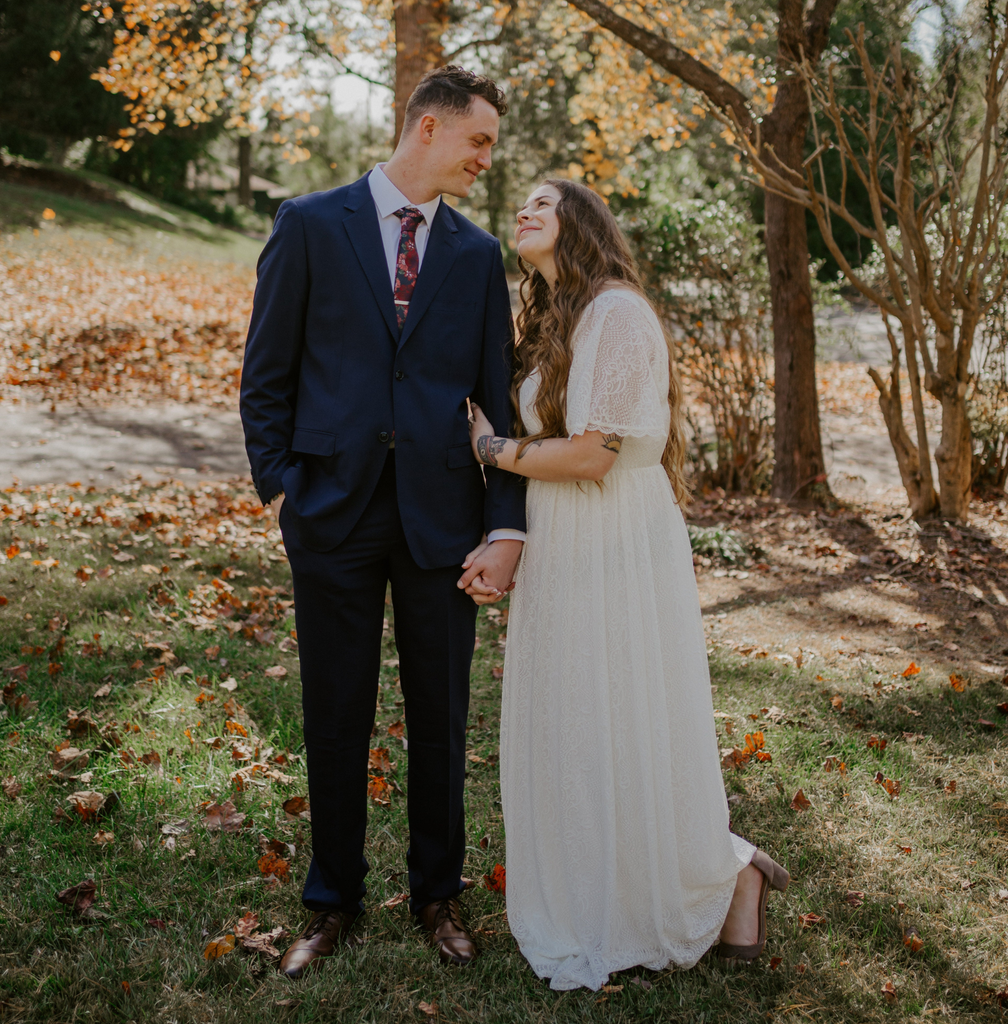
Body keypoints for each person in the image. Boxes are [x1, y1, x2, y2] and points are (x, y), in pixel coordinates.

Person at [464, 179, 789, 992]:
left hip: (611, 533)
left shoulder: (616, 313)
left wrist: (490, 448)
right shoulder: (559, 316)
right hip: (564, 534)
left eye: (544, 202)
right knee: (578, 719)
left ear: (581, 223)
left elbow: (591, 455)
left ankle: (716, 875)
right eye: (521, 203)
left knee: (619, 713)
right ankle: (613, 894)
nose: (525, 211)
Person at [239, 66, 527, 979]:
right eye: (479, 140)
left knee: (441, 717)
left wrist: (506, 529)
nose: (486, 159)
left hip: (444, 521)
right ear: (429, 127)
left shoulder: (477, 256)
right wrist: (282, 488)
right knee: (335, 712)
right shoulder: (309, 224)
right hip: (331, 511)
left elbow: (499, 403)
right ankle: (331, 901)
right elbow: (265, 374)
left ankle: (439, 895)